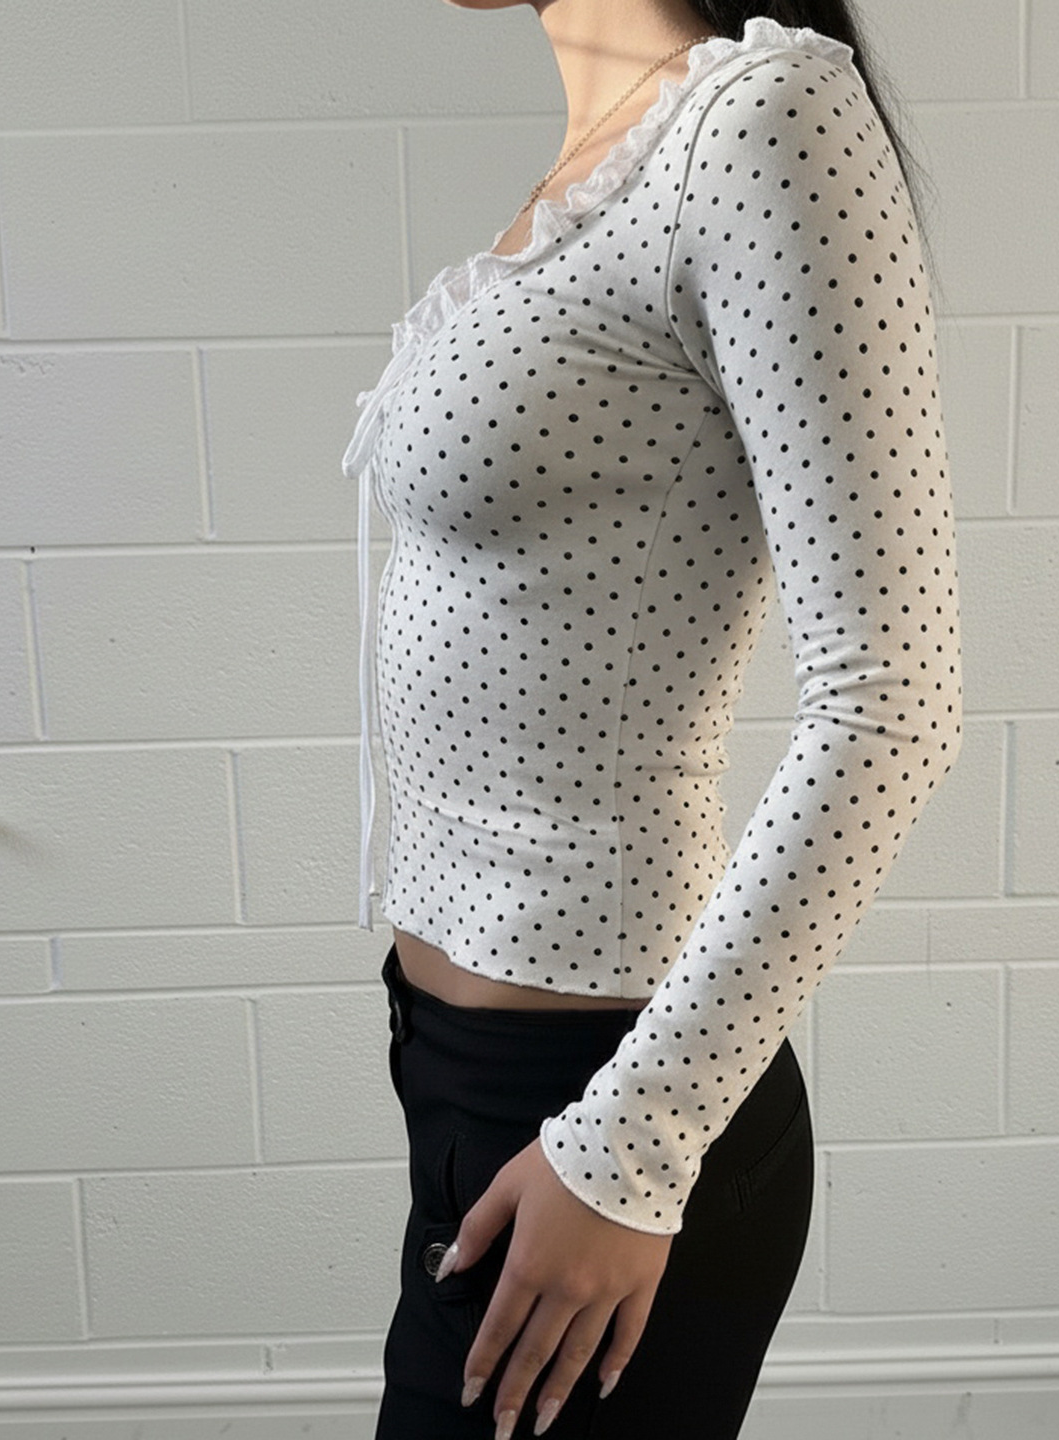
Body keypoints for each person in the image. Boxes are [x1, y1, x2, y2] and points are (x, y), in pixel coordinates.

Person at [340, 2, 963, 1435]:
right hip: (469, 1080)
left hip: (604, 1098)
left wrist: (633, 1143)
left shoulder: (767, 118)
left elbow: (891, 700)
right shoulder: (609, 162)